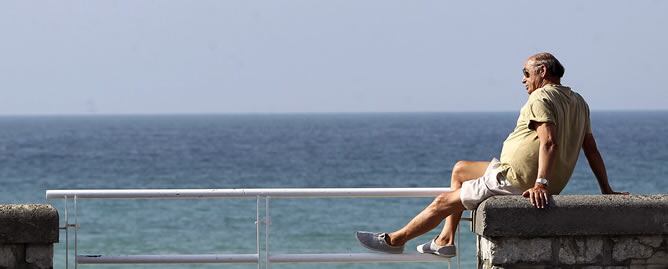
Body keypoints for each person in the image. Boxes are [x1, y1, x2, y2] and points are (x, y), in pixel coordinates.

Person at [356, 52, 627, 257]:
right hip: (521, 174)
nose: (523, 79)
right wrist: (606, 189)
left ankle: (395, 240)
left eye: (526, 72)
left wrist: (540, 183)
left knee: (442, 202)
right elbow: (590, 148)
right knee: (461, 169)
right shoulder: (578, 101)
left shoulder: (541, 98)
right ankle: (446, 240)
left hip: (516, 181)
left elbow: (550, 142)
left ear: (542, 71)